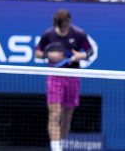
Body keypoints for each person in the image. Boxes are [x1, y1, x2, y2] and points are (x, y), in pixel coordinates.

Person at [34, 10, 93, 151]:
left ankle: (60, 143)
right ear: (57, 24)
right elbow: (37, 53)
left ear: (69, 22)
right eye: (62, 26)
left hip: (73, 75)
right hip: (54, 75)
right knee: (55, 113)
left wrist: (82, 55)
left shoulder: (78, 33)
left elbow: (90, 51)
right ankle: (56, 148)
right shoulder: (48, 34)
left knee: (67, 116)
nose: (64, 28)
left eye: (66, 25)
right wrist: (48, 55)